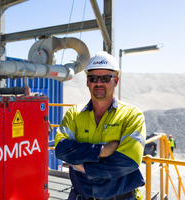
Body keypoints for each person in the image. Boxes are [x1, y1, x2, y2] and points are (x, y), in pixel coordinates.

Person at [55, 51, 146, 200]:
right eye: (93, 78)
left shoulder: (132, 115)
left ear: (115, 81)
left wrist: (84, 167)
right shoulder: (73, 114)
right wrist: (102, 151)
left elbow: (128, 162)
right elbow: (62, 149)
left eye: (105, 78)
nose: (99, 83)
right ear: (87, 82)